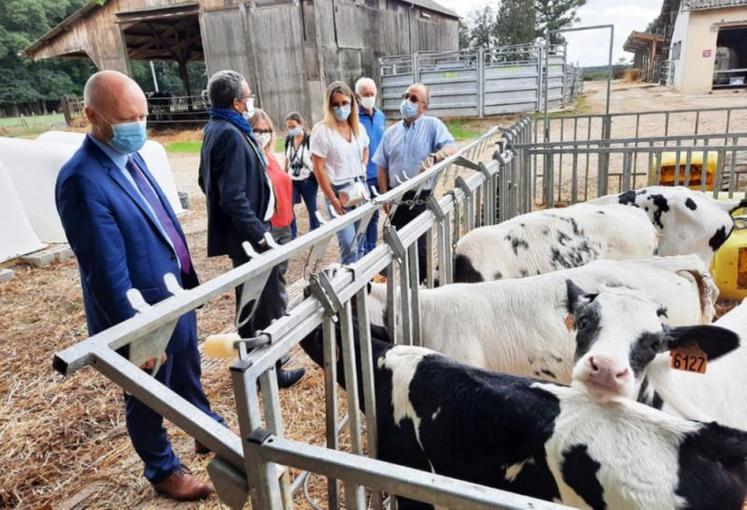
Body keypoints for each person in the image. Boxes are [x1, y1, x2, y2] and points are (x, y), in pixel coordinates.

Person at [55, 70, 222, 501]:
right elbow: (105, 270)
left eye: (143, 115)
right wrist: (135, 334)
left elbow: (159, 218)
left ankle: (204, 428)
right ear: (93, 116)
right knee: (148, 390)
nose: (139, 126)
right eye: (128, 118)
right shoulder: (81, 179)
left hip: (172, 292)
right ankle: (163, 470)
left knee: (186, 368)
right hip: (140, 310)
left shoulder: (135, 156)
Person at [198, 70, 304, 388]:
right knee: (265, 305)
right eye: (247, 97)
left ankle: (254, 370)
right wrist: (260, 233)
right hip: (251, 239)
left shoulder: (216, 128)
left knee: (251, 303)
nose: (250, 102)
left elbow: (205, 183)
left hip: (248, 234)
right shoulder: (229, 134)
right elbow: (232, 196)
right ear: (236, 102)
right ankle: (269, 373)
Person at [372, 83, 457, 280]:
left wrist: (437, 156)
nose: (407, 101)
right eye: (405, 96)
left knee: (419, 250)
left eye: (413, 99)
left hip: (420, 198)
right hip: (396, 198)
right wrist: (385, 195)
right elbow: (382, 166)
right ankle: (392, 291)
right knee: (392, 246)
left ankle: (419, 290)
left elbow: (452, 148)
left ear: (424, 106)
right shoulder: (391, 133)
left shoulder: (433, 125)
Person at [310, 81, 370, 265]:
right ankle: (349, 289)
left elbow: (366, 148)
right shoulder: (322, 131)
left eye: (344, 103)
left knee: (360, 241)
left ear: (352, 103)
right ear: (329, 106)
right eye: (335, 104)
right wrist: (332, 198)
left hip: (360, 187)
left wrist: (362, 167)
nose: (340, 108)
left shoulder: (358, 128)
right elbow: (318, 167)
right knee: (348, 244)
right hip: (338, 191)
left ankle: (361, 286)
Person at [250, 109, 293, 309]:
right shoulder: (252, 159)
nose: (263, 134)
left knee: (280, 274)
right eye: (257, 130)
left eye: (266, 130)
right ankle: (278, 314)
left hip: (284, 222)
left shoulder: (271, 156)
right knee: (272, 278)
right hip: (269, 225)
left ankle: (279, 311)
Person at [355, 77, 386, 255]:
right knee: (362, 216)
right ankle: (360, 251)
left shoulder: (380, 116)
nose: (369, 97)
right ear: (358, 96)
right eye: (365, 94)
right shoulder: (354, 118)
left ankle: (371, 251)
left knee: (374, 215)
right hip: (362, 175)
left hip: (378, 173)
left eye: (372, 94)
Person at [284, 112, 319, 239]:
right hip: (292, 179)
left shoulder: (310, 140)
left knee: (312, 209)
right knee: (288, 207)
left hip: (308, 179)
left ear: (300, 124)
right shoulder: (288, 139)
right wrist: (284, 175)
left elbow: (316, 160)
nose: (291, 129)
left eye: (293, 126)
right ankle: (292, 235)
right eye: (289, 127)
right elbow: (287, 159)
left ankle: (315, 234)